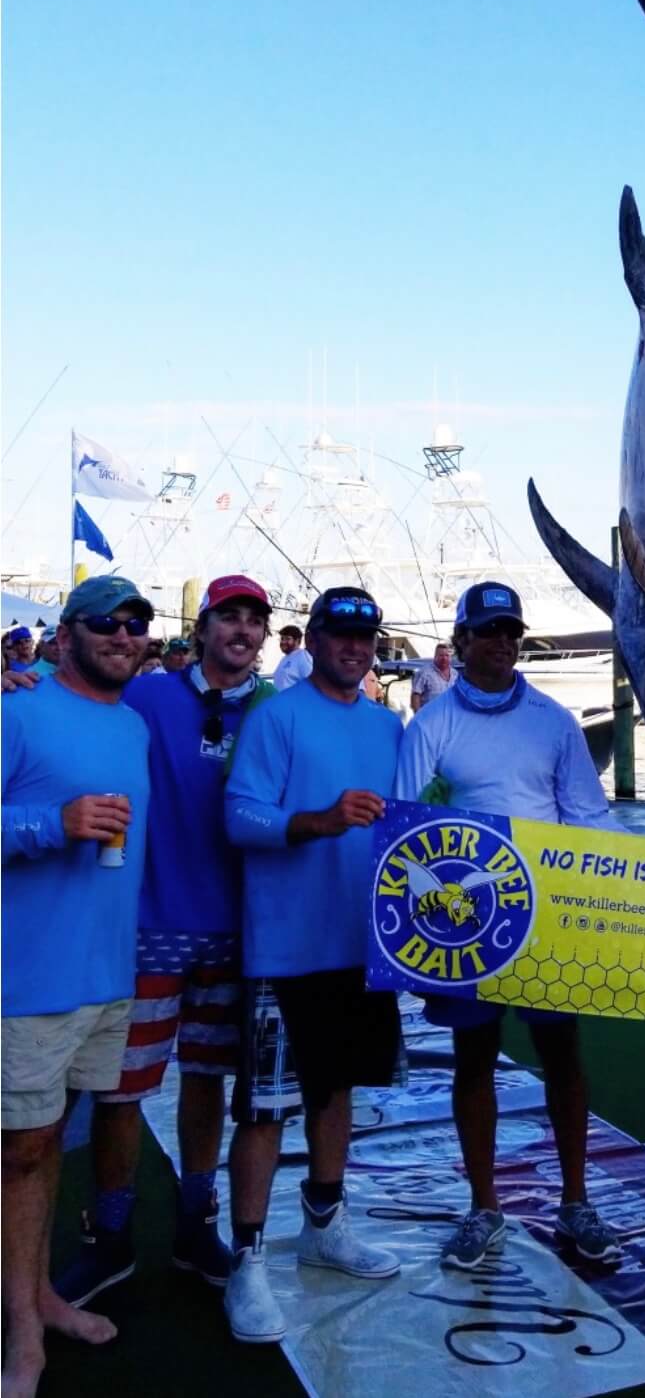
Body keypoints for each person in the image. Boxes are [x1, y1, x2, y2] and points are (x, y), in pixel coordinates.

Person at [55, 575, 276, 1310]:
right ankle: (110, 1235)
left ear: (265, 637)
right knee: (123, 1089)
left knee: (208, 1082)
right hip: (147, 925)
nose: (241, 631)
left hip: (237, 930)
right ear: (203, 626)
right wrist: (20, 680)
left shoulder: (275, 714)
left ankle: (193, 1220)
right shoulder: (148, 696)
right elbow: (76, 707)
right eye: (228, 617)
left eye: (254, 620)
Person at [394, 581, 622, 1266]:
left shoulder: (554, 721)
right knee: (474, 1059)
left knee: (563, 1057)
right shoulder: (430, 726)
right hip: (466, 922)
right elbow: (404, 824)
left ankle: (576, 1202)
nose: (500, 643)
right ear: (459, 642)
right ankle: (483, 1206)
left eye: (509, 632)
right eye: (487, 631)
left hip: (548, 916)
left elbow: (588, 815)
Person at [222, 587, 404, 1343]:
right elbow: (240, 815)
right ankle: (247, 1261)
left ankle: (325, 1222)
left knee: (338, 1094)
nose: (354, 647)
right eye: (340, 634)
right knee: (266, 1110)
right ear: (316, 639)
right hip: (285, 950)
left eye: (366, 637)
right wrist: (319, 821)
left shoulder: (392, 725)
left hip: (363, 945)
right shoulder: (276, 715)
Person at [2, 575, 154, 1397]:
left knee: (49, 1142)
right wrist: (49, 824)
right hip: (26, 981)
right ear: (66, 634)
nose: (124, 634)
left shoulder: (133, 724)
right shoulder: (15, 709)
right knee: (21, 1154)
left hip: (105, 976)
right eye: (107, 622)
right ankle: (23, 1338)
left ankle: (40, 1294)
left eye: (137, 624)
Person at [410, 641, 457, 713]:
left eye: (447, 655)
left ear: (450, 657)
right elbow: (416, 695)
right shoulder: (424, 673)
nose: (444, 658)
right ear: (435, 656)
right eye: (441, 655)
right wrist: (418, 715)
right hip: (430, 718)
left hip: (450, 718)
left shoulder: (455, 674)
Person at [270, 622, 312, 692]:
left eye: (287, 639)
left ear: (297, 641)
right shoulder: (284, 658)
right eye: (282, 638)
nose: (283, 642)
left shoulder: (303, 656)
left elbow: (312, 685)